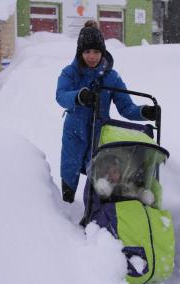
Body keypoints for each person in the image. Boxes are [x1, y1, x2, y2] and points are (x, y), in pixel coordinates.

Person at [56, 20, 159, 203]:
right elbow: (61, 96)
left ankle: (95, 211)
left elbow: (126, 107)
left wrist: (145, 112)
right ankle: (65, 208)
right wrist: (79, 96)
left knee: (99, 176)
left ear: (102, 52)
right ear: (80, 52)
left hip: (99, 134)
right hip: (74, 133)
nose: (92, 56)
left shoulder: (111, 77)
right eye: (87, 51)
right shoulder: (70, 73)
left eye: (96, 51)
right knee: (69, 170)